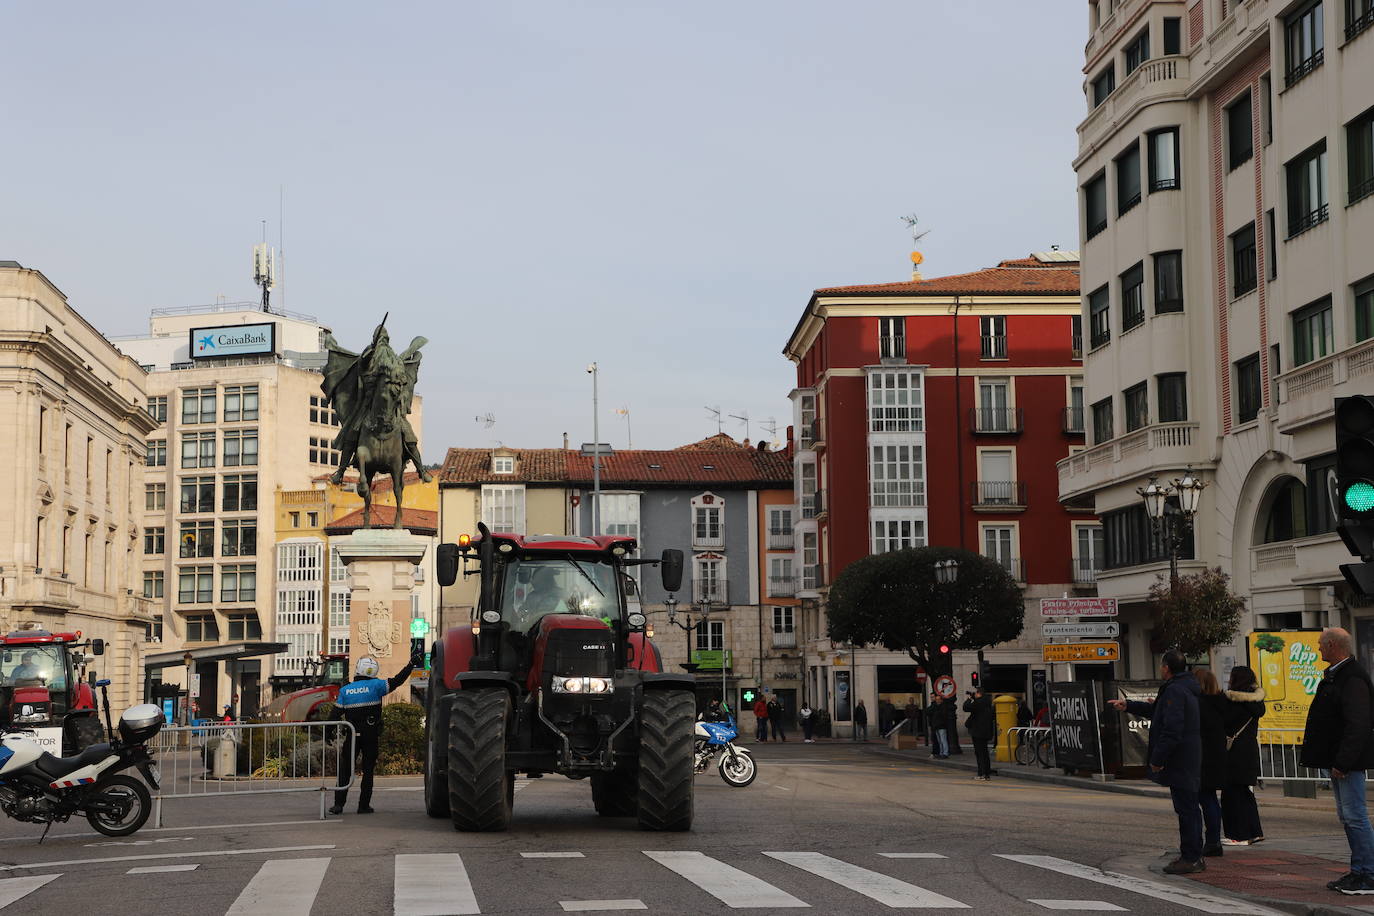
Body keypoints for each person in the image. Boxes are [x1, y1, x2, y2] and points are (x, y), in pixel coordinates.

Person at [1109, 649, 1203, 875]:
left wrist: (1157, 760)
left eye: (1162, 666)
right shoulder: (1187, 686)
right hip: (1189, 756)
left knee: (1187, 809)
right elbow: (1160, 713)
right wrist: (1129, 705)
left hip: (1180, 758)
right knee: (1189, 808)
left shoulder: (1176, 690)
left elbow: (1171, 729)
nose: (1160, 669)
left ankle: (1191, 858)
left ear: (1167, 668)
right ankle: (1192, 855)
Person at [1300, 628, 1374, 895]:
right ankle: (1359, 871)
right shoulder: (1338, 676)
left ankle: (1368, 874)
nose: (1318, 648)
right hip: (1339, 759)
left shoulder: (1351, 678)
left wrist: (1343, 761)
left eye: (1321, 644)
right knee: (1348, 816)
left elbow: (1358, 724)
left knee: (1355, 816)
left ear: (1332, 645)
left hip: (1347, 762)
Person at [330, 648, 420, 815]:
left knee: (345, 770)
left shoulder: (345, 690)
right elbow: (398, 681)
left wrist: (328, 733)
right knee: (368, 770)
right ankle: (363, 806)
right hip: (371, 734)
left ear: (358, 669)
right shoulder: (378, 685)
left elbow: (333, 716)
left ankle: (338, 805)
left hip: (352, 735)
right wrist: (410, 665)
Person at [1218, 665, 1265, 846]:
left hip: (1234, 752)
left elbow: (1225, 722)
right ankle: (1255, 832)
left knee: (1231, 795)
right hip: (1249, 750)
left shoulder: (1233, 700)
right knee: (1245, 793)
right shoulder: (1256, 701)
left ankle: (1239, 835)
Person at [1193, 668, 1226, 857]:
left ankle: (1206, 841)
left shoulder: (1198, 704)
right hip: (1217, 756)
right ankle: (1213, 840)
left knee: (1199, 800)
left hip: (1199, 756)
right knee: (1210, 799)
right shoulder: (1222, 703)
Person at [963, 687, 995, 780]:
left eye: (976, 693)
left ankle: (981, 773)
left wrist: (969, 699)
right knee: (984, 753)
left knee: (979, 753)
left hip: (977, 731)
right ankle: (986, 774)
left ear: (979, 694)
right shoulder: (988, 703)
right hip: (986, 731)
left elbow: (965, 707)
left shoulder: (978, 703)